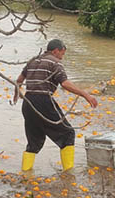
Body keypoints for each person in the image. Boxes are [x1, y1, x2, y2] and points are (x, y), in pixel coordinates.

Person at [13, 39, 98, 172]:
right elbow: (65, 84)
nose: (61, 57)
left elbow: (19, 80)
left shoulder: (33, 60)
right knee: (68, 133)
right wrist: (85, 95)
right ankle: (69, 173)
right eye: (62, 54)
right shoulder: (55, 63)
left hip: (28, 103)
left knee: (34, 142)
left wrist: (16, 95)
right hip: (43, 101)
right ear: (55, 51)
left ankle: (25, 174)